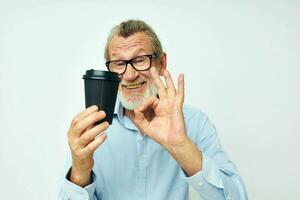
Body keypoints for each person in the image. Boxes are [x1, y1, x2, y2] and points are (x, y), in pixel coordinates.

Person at [59, 19, 248, 200]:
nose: (130, 75)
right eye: (119, 64)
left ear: (161, 63)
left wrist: (181, 146)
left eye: (140, 60)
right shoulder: (91, 129)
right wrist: (80, 170)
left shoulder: (194, 122)